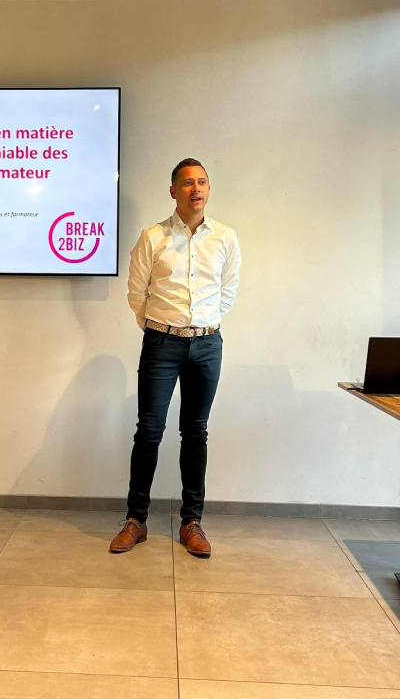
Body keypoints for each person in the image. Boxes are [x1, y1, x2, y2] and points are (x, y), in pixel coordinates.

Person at [109, 158, 241, 557]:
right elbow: (137, 293)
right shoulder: (153, 237)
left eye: (201, 182)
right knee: (149, 431)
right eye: (187, 183)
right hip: (161, 344)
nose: (195, 189)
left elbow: (228, 291)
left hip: (207, 345)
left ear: (208, 189)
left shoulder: (225, 237)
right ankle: (136, 520)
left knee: (196, 431)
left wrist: (202, 326)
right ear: (173, 191)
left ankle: (191, 523)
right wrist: (160, 329)